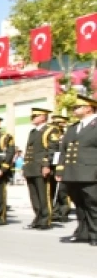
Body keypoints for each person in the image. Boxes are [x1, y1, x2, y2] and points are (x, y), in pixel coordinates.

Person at [56, 95, 97, 245]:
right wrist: (60, 171)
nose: (74, 109)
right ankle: (83, 232)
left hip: (91, 172)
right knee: (79, 205)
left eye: (77, 107)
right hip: (72, 173)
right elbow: (64, 150)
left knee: (93, 205)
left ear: (88, 108)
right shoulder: (73, 127)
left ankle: (95, 235)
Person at [22, 108, 60, 230]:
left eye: (35, 116)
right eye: (32, 116)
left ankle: (45, 220)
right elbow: (29, 150)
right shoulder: (33, 131)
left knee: (44, 195)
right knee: (34, 196)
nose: (33, 118)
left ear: (44, 117)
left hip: (41, 167)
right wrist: (25, 166)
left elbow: (52, 148)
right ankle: (38, 218)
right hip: (31, 167)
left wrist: (46, 165)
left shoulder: (51, 129)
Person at [51, 113, 72, 223]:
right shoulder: (53, 134)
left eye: (59, 123)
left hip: (64, 164)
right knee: (55, 190)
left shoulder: (67, 134)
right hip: (54, 165)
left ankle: (64, 213)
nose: (57, 125)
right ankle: (55, 212)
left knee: (63, 191)